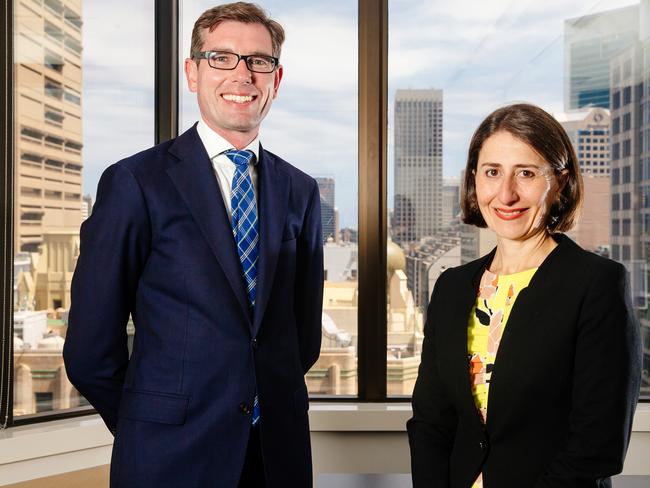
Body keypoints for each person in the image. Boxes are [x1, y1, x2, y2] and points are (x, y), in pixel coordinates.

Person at [63, 3, 323, 487]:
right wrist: (149, 424)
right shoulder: (135, 182)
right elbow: (89, 349)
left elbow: (301, 338)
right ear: (192, 71)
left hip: (276, 456)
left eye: (258, 62)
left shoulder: (301, 191)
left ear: (276, 79)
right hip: (168, 458)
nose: (241, 75)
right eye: (221, 58)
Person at [407, 103, 641, 488]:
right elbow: (431, 421)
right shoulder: (451, 287)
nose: (506, 194)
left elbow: (598, 444)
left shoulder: (597, 285)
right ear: (474, 180)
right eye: (492, 172)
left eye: (527, 174)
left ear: (560, 182)